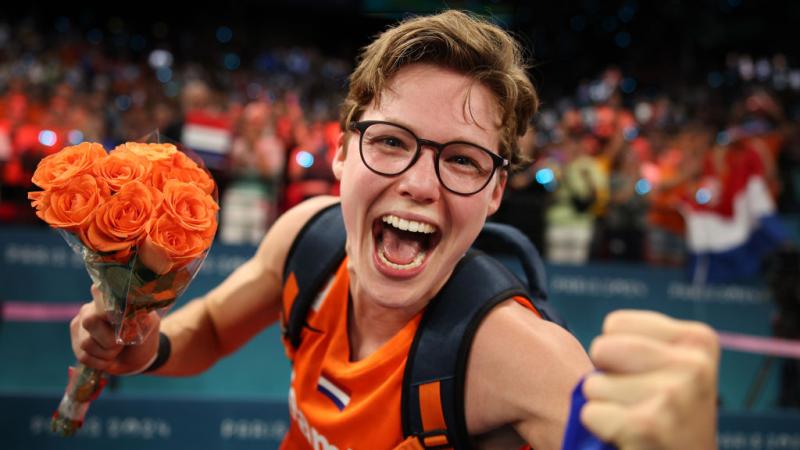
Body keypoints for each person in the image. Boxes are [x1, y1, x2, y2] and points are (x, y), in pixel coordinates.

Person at [70, 10, 720, 450]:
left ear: (496, 191)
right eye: (391, 142)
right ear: (343, 152)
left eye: (462, 159)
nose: (420, 182)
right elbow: (211, 328)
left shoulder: (519, 356)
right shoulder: (307, 239)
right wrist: (146, 348)